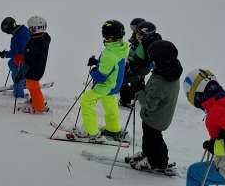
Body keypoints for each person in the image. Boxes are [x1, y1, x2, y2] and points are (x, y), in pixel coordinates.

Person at [127, 40, 182, 172]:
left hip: (155, 118)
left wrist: (139, 91)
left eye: (153, 61)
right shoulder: (169, 71)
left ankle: (157, 162)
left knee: (153, 139)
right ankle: (148, 154)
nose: (152, 63)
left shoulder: (161, 81)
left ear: (162, 61)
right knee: (150, 138)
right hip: (158, 115)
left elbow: (150, 104)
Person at [76, 20, 130, 141]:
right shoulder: (121, 47)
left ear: (111, 36)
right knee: (110, 105)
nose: (104, 38)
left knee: (86, 101)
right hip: (114, 84)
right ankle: (113, 129)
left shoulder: (110, 54)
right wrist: (97, 62)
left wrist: (93, 70)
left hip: (105, 85)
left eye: (105, 35)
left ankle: (92, 132)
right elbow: (112, 66)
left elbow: (101, 77)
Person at [119, 20, 162, 107]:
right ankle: (137, 93)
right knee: (136, 81)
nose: (137, 35)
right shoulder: (144, 41)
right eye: (137, 33)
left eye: (140, 34)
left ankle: (126, 100)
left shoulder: (150, 45)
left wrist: (134, 66)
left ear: (147, 35)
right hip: (136, 65)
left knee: (122, 80)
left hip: (140, 68)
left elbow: (148, 60)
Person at [0, 17, 30, 99]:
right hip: (30, 57)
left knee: (16, 76)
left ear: (8, 29)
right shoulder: (24, 29)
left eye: (6, 31)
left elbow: (13, 53)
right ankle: (24, 81)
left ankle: (19, 96)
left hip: (26, 60)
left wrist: (2, 54)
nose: (7, 33)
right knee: (11, 63)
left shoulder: (16, 38)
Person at [19, 15, 51, 114]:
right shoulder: (44, 39)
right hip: (39, 69)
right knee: (34, 87)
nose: (29, 30)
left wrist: (20, 74)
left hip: (33, 72)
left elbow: (28, 62)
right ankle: (36, 101)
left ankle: (39, 107)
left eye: (30, 28)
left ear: (34, 29)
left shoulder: (34, 45)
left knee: (33, 88)